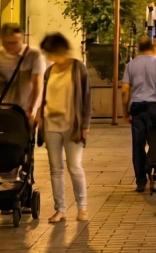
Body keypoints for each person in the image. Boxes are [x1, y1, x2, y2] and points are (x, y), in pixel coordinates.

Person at [39, 33, 90, 224]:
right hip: (51, 124)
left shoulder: (78, 68)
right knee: (56, 169)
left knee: (75, 167)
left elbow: (86, 97)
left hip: (73, 125)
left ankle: (82, 207)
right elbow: (45, 97)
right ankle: (60, 209)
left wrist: (85, 124)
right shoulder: (49, 71)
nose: (47, 55)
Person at [121, 35, 156, 193]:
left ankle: (140, 181)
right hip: (153, 108)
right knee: (154, 142)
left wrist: (125, 112)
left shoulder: (131, 65)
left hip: (137, 108)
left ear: (138, 48)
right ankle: (153, 172)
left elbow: (125, 91)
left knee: (137, 145)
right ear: (151, 48)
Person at [0, 23, 46, 121]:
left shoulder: (33, 55)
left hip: (27, 109)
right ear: (2, 41)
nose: (12, 46)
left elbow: (37, 83)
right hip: (5, 108)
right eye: (9, 43)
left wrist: (31, 108)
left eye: (16, 42)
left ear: (22, 40)